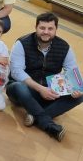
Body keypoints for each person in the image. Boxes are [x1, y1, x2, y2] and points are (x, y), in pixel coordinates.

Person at [7, 13, 82, 142]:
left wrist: (76, 88)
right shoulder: (22, 43)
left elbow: (72, 71)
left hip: (50, 90)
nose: (46, 32)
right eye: (42, 28)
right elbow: (16, 72)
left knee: (81, 93)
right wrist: (40, 89)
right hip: (25, 90)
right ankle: (48, 124)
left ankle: (36, 116)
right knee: (19, 86)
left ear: (56, 29)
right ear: (36, 27)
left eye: (50, 28)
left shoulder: (64, 47)